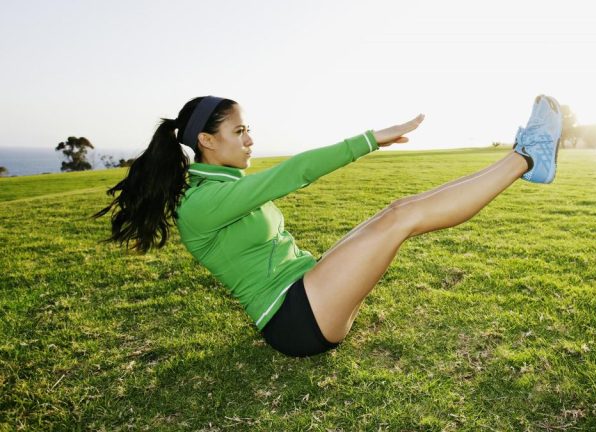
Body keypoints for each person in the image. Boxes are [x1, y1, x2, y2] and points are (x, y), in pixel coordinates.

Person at [95, 95, 562, 357]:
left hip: (308, 290)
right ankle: (526, 157)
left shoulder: (218, 186)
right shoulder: (203, 202)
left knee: (395, 209)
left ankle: (524, 156)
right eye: (239, 132)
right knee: (402, 219)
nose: (250, 139)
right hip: (295, 319)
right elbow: (293, 173)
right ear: (206, 141)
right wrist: (369, 140)